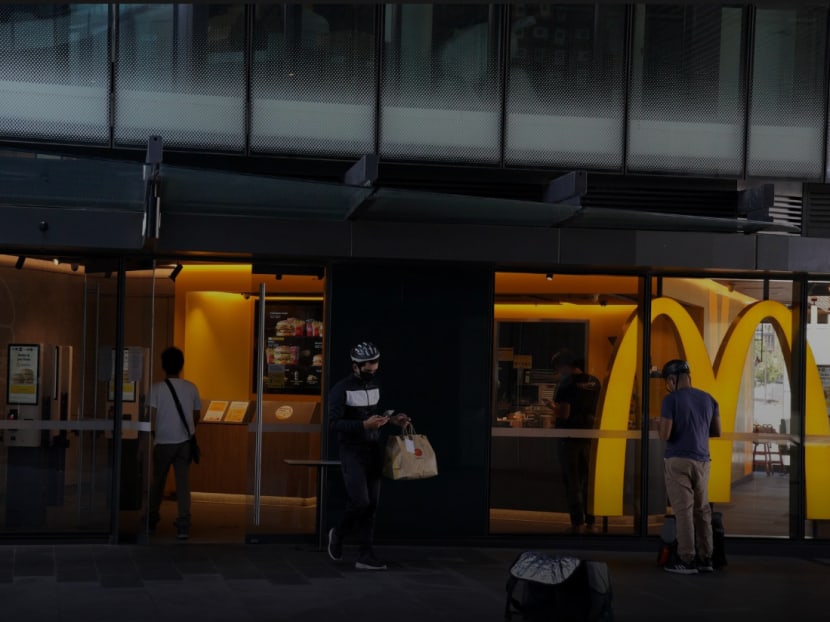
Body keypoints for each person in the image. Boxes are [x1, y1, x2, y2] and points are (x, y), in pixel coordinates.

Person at [327, 341, 410, 570]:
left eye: (375, 367)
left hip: (374, 449)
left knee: (372, 505)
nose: (372, 371)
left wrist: (392, 420)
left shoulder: (374, 385)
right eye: (368, 368)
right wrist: (363, 424)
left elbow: (374, 416)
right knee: (360, 501)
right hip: (351, 451)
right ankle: (338, 534)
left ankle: (365, 555)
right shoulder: (340, 389)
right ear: (355, 366)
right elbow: (333, 423)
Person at [659, 359, 721, 574]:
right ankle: (707, 558)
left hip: (677, 460)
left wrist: (659, 423)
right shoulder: (708, 399)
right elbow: (717, 431)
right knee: (702, 509)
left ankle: (686, 559)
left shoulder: (670, 399)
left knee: (683, 511)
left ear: (672, 379)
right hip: (703, 460)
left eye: (667, 381)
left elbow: (665, 435)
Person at [543, 349, 601, 533]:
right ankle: (592, 521)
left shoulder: (566, 384)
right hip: (590, 437)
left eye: (559, 369)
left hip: (569, 438)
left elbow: (565, 414)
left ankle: (577, 523)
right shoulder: (594, 381)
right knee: (589, 480)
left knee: (573, 481)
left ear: (565, 367)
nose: (559, 373)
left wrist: (552, 406)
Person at [147, 346, 201, 540]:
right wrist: (187, 430)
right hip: (185, 442)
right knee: (183, 483)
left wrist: (155, 433)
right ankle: (184, 524)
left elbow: (150, 417)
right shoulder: (191, 387)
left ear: (163, 366)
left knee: (157, 483)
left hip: (162, 442)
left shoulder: (156, 389)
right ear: (181, 365)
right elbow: (196, 415)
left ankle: (151, 519)